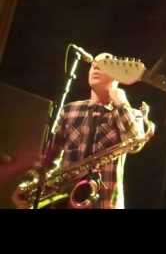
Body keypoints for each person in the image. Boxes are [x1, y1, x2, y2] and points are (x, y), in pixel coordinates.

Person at [12, 53, 154, 209]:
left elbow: (136, 143)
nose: (96, 68)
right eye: (93, 65)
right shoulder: (70, 110)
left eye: (104, 65)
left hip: (105, 203)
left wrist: (121, 102)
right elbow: (49, 157)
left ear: (118, 74)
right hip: (63, 203)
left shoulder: (131, 113)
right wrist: (26, 185)